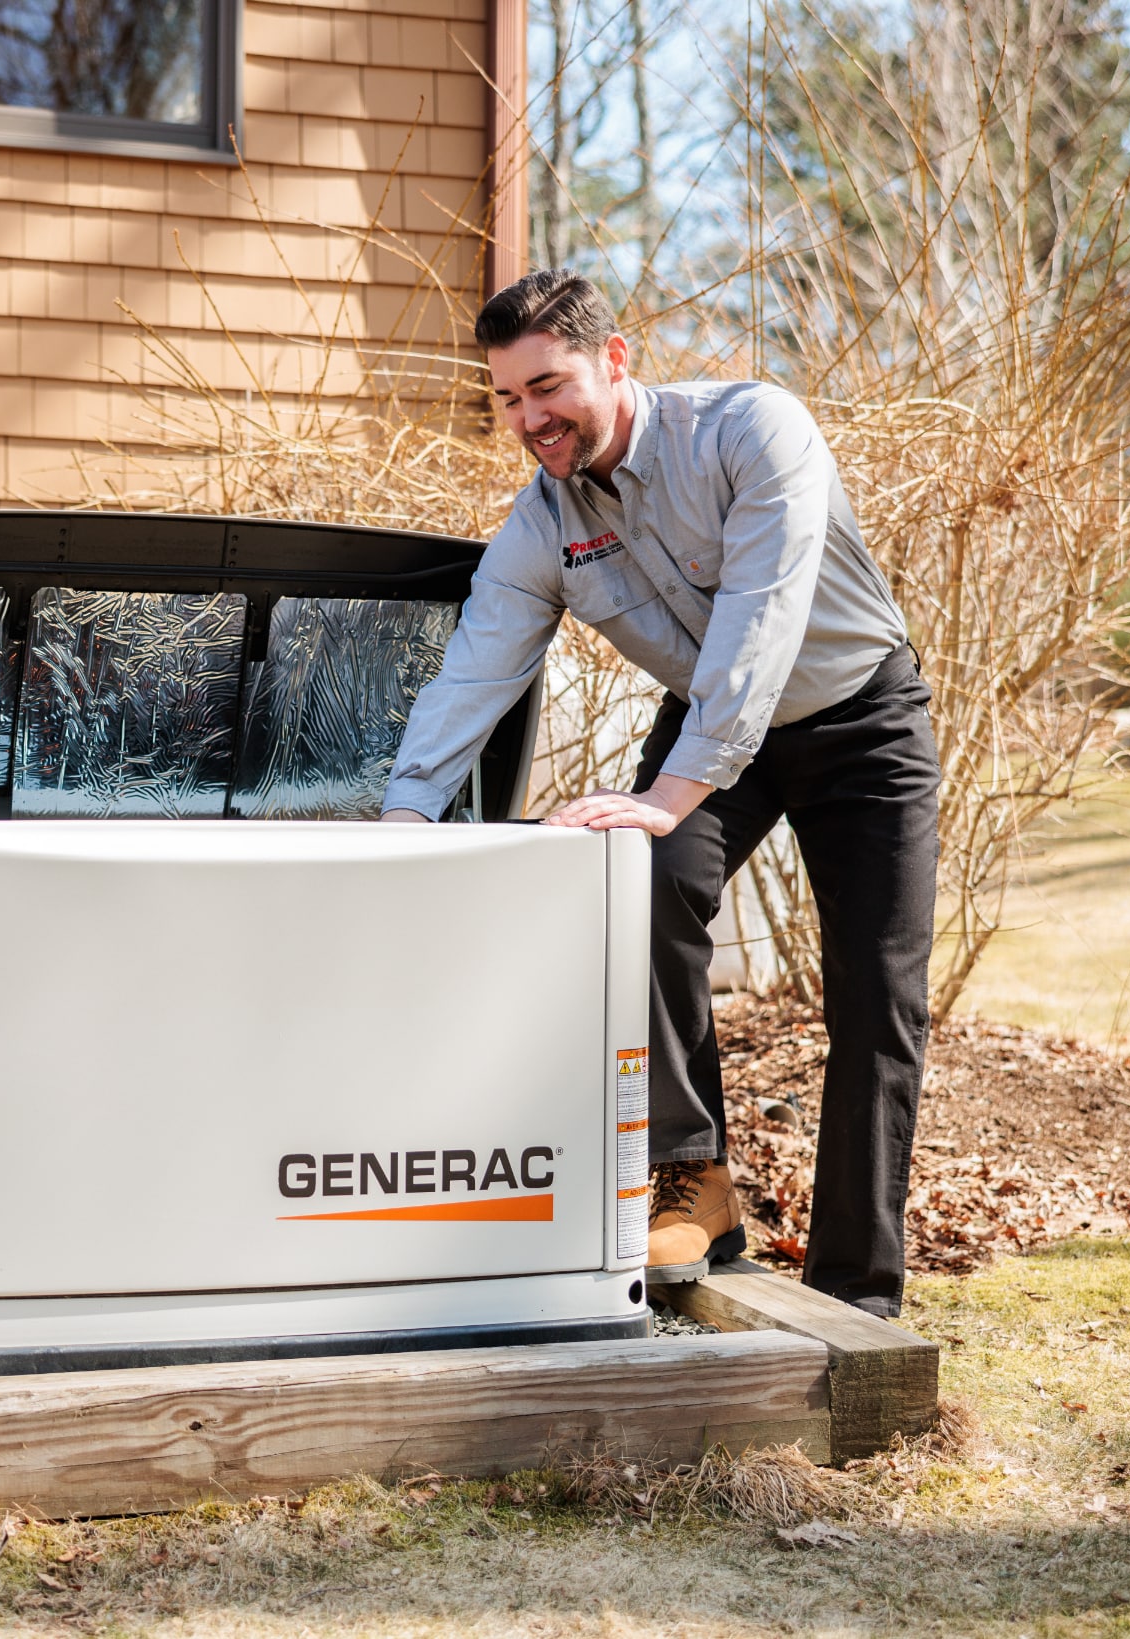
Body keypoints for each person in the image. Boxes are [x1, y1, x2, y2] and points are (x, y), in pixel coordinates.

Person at [379, 268, 939, 1318]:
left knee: (876, 999)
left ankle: (854, 1294)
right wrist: (405, 819)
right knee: (639, 883)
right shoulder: (543, 523)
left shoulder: (752, 430)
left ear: (616, 360)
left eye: (547, 386)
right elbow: (475, 670)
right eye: (507, 398)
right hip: (712, 720)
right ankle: (697, 1184)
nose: (530, 419)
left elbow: (759, 625)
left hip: (861, 717)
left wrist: (675, 791)